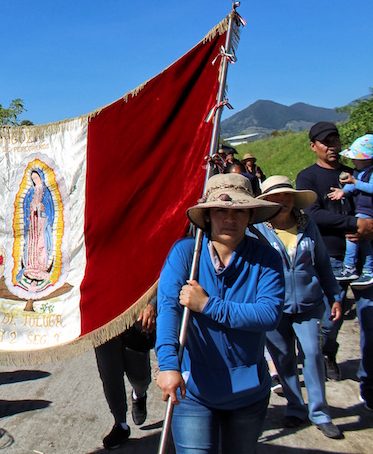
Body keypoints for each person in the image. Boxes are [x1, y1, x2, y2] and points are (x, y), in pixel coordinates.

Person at [155, 173, 284, 454]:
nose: (230, 219)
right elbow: (168, 310)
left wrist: (207, 305)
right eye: (221, 211)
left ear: (250, 215)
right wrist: (168, 365)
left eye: (239, 211)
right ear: (208, 215)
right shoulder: (185, 254)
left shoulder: (267, 258)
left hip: (249, 393)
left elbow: (269, 314)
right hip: (194, 390)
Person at [254, 176, 343, 439]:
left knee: (313, 354)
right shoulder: (256, 231)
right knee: (283, 360)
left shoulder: (308, 225)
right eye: (276, 197)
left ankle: (320, 413)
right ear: (267, 202)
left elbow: (323, 263)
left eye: (287, 195)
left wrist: (334, 296)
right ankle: (295, 407)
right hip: (273, 307)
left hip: (309, 304)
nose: (283, 200)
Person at [296, 121, 373, 382]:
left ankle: (368, 380)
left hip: (364, 257)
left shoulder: (356, 173)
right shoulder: (307, 177)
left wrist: (368, 229)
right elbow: (313, 214)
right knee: (331, 319)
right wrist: (354, 224)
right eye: (325, 142)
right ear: (313, 146)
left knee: (369, 319)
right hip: (330, 257)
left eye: (335, 140)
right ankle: (327, 351)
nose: (332, 146)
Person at [94, 297, 156, 449]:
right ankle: (120, 424)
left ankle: (139, 394)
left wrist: (152, 303)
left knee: (139, 377)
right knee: (110, 375)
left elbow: (158, 280)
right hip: (102, 318)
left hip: (135, 315)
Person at [329, 134, 373, 285]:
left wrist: (355, 181)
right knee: (362, 241)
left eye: (356, 158)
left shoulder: (370, 173)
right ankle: (366, 270)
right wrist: (343, 191)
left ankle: (350, 267)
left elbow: (370, 187)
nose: (353, 161)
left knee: (354, 237)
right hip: (361, 211)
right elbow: (351, 186)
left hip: (368, 211)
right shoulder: (357, 172)